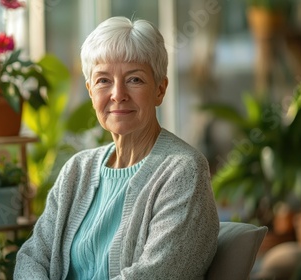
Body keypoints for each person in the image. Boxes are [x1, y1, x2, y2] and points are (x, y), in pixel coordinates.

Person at [14, 16, 219, 279]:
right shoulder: (77, 170)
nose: (117, 94)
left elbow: (157, 273)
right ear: (90, 91)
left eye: (134, 80)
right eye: (103, 81)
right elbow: (32, 257)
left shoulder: (183, 171)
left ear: (160, 89)